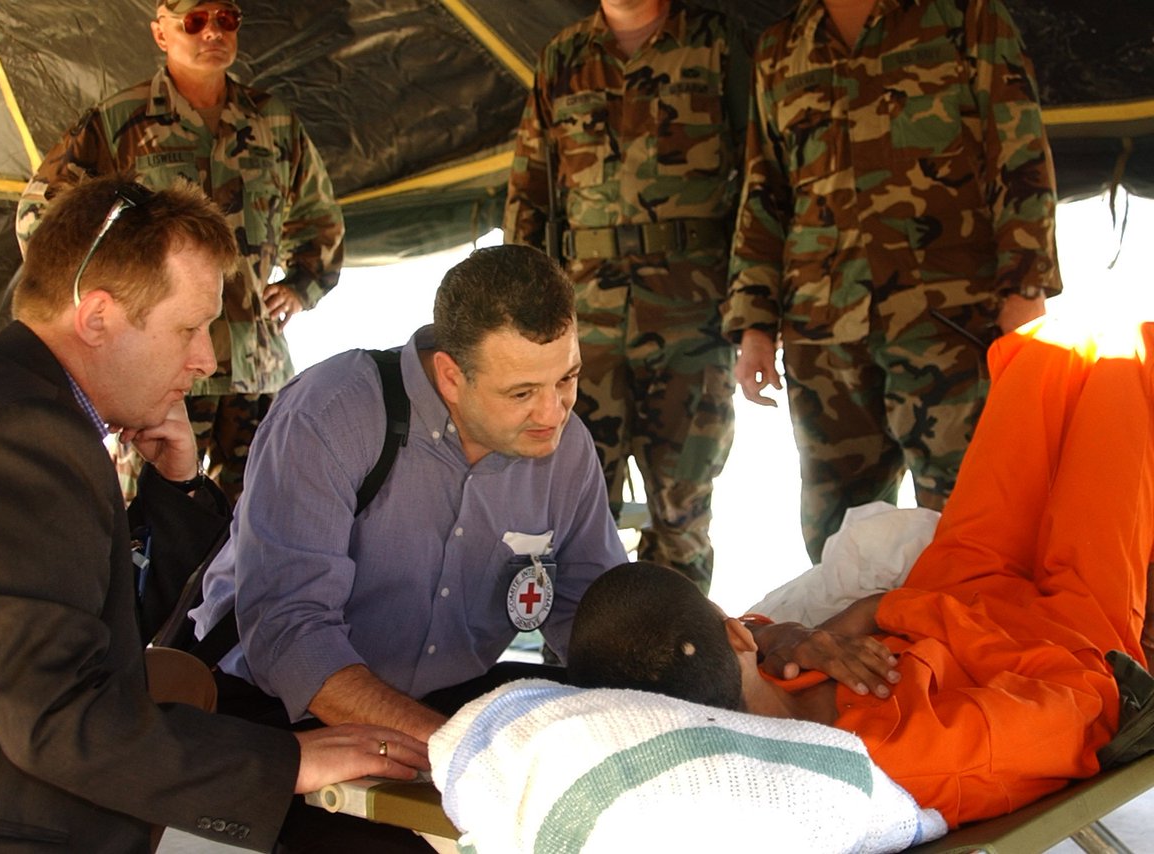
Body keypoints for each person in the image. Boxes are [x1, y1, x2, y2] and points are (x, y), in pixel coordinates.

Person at [0, 175, 425, 852]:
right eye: (189, 329)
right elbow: (58, 715)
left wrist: (177, 488)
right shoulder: (22, 438)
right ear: (97, 318)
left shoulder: (0, 404)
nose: (206, 360)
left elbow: (107, 628)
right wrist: (287, 762)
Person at [568, 314, 1154, 829]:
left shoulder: (749, 679)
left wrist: (790, 636)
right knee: (1120, 363)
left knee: (1049, 349)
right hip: (1069, 633)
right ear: (733, 637)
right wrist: (883, 611)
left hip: (959, 583)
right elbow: (1088, 699)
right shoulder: (917, 755)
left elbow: (730, 638)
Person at [192, 243, 628, 738]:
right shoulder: (330, 415)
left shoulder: (566, 449)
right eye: (522, 393)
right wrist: (453, 749)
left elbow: (591, 614)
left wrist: (665, 671)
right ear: (450, 377)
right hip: (274, 709)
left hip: (445, 708)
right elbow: (290, 634)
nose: (553, 413)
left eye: (567, 378)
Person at [723, 0, 1061, 563]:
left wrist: (1026, 290)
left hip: (951, 324)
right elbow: (765, 193)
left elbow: (1019, 151)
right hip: (824, 334)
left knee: (974, 524)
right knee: (839, 542)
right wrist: (754, 324)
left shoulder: (966, 17)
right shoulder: (782, 48)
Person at [16, 0, 344, 506]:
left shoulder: (274, 122)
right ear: (161, 34)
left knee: (262, 513)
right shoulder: (120, 120)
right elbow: (40, 217)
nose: (212, 32)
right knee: (146, 515)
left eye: (225, 19)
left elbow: (320, 219)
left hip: (251, 365)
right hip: (155, 368)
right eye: (194, 21)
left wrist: (301, 287)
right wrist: (113, 294)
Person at [503, 0, 743, 592]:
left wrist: (755, 308)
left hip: (693, 321)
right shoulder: (563, 58)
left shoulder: (717, 43)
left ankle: (677, 643)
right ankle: (583, 644)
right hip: (580, 330)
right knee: (572, 508)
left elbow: (763, 178)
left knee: (683, 512)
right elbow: (530, 189)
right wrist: (516, 319)